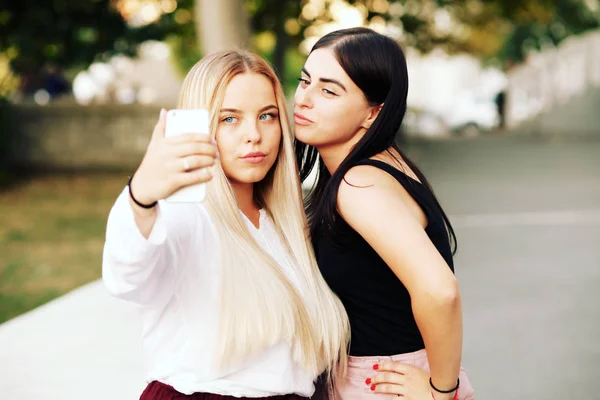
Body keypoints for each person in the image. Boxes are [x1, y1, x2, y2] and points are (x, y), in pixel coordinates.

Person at [102, 50, 349, 400]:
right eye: (229, 119)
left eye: (267, 115)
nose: (254, 135)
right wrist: (140, 197)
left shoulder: (284, 225)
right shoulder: (182, 216)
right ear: (199, 127)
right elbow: (127, 275)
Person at [294, 27, 475, 400]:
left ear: (372, 113)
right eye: (305, 81)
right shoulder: (380, 165)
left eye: (328, 91)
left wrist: (441, 392)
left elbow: (440, 291)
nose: (304, 99)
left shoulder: (360, 185)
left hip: (381, 382)